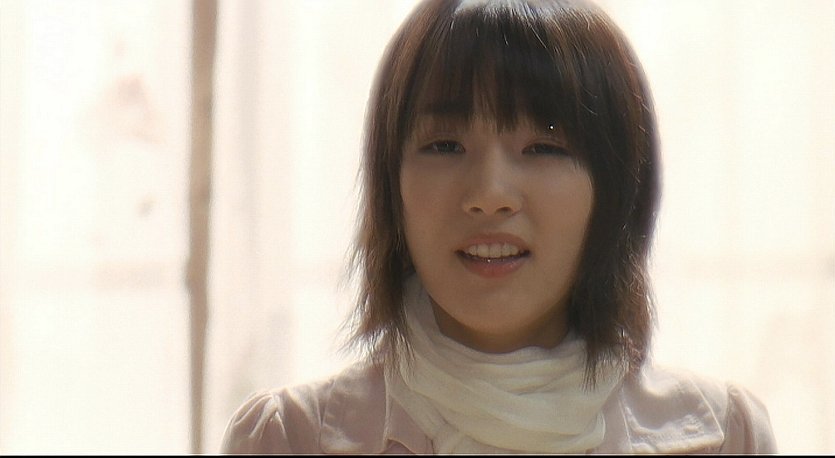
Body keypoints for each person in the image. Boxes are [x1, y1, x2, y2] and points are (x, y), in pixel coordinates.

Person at [220, 0, 777, 453]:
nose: (489, 195)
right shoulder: (288, 439)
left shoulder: (724, 438)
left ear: (615, 190)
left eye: (543, 147)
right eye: (445, 145)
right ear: (391, 185)